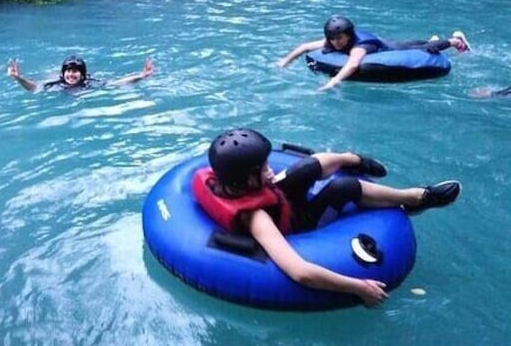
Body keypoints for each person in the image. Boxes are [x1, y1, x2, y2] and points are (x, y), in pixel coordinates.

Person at [196, 128, 461, 307]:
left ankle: (352, 159)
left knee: (307, 167)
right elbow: (300, 273)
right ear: (246, 178)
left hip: (278, 202)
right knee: (342, 188)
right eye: (262, 168)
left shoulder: (225, 180)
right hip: (296, 225)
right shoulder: (257, 218)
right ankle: (415, 199)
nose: (269, 170)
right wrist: (358, 287)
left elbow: (268, 181)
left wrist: (271, 178)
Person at [277, 15, 471, 90]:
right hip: (383, 43)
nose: (336, 43)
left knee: (423, 49)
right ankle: (434, 40)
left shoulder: (359, 47)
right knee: (414, 43)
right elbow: (304, 47)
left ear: (348, 35)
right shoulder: (332, 40)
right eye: (332, 39)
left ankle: (455, 41)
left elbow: (352, 65)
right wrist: (285, 62)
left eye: (340, 39)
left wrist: (332, 83)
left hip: (386, 48)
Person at [7, 55, 155, 92]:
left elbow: (118, 83)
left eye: (76, 72)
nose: (71, 75)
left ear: (82, 75)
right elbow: (34, 88)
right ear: (63, 74)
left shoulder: (90, 84)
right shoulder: (57, 85)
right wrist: (18, 78)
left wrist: (141, 76)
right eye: (69, 71)